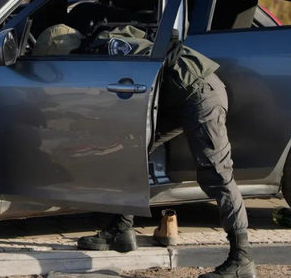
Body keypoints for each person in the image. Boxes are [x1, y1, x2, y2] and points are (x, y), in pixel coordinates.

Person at [78, 31, 256, 278]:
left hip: (199, 91)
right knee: (131, 151)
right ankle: (120, 229)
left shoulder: (108, 48)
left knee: (217, 174)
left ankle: (241, 259)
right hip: (177, 94)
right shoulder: (107, 43)